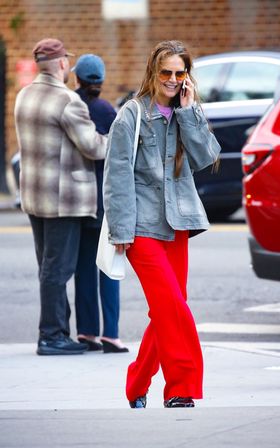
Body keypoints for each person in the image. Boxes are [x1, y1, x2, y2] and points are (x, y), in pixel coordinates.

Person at [103, 40, 221, 408]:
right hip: (141, 226)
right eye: (166, 72)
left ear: (187, 76)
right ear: (153, 72)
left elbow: (207, 158)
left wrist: (188, 113)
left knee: (170, 305)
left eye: (179, 73)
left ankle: (137, 380)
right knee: (171, 305)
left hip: (179, 222)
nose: (172, 79)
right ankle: (181, 388)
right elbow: (116, 176)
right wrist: (121, 231)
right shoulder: (131, 115)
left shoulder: (188, 110)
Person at [14, 38, 107, 356]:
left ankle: (57, 331)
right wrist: (114, 139)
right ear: (63, 64)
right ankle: (51, 335)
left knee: (47, 266)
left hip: (34, 196)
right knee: (58, 268)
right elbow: (93, 146)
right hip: (64, 199)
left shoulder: (23, 96)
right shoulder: (68, 101)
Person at [72, 54, 128, 353]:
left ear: (77, 79)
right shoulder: (106, 110)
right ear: (101, 81)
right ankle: (112, 334)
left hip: (78, 201)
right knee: (109, 267)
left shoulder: (71, 107)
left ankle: (87, 332)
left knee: (83, 269)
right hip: (105, 202)